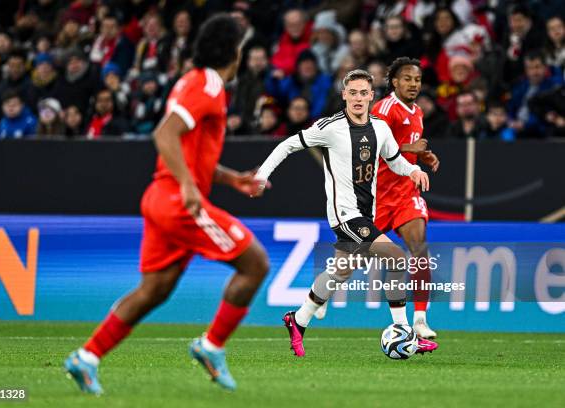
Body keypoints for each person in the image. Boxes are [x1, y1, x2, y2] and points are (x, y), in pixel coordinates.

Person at [64, 14, 270, 394]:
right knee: (255, 263)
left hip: (162, 196)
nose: (243, 54)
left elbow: (190, 150)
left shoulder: (194, 82)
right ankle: (211, 346)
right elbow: (165, 135)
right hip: (178, 201)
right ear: (232, 51)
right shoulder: (208, 85)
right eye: (241, 47)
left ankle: (86, 357)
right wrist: (190, 187)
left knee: (154, 290)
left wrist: (230, 178)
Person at [253, 69, 438, 357]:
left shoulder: (379, 127)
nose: (358, 98)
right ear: (344, 95)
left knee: (342, 270)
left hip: (368, 213)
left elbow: (394, 159)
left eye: (364, 93)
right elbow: (289, 144)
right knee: (398, 258)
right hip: (345, 214)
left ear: (371, 96)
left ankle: (298, 320)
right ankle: (405, 332)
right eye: (352, 92)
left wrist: (413, 169)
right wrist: (262, 175)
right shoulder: (330, 127)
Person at [369, 57, 440, 338]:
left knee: (419, 249)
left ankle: (420, 319)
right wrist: (412, 147)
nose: (413, 84)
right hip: (378, 196)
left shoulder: (418, 111)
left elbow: (409, 149)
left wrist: (422, 154)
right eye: (407, 79)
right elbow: (371, 145)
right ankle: (321, 297)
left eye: (418, 79)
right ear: (395, 82)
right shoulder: (384, 109)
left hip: (405, 193)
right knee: (351, 257)